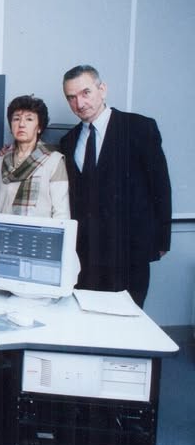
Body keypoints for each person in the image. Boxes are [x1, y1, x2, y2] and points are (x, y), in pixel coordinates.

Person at [59, 65, 171, 308]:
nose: (79, 103)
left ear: (102, 89)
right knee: (86, 321)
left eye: (85, 92)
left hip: (128, 252)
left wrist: (162, 240)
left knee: (127, 323)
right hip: (86, 254)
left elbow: (160, 186)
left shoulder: (139, 127)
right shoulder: (67, 141)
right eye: (71, 97)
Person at [0, 95, 70, 218]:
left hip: (39, 235)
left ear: (39, 127)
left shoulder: (54, 161)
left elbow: (62, 212)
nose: (21, 124)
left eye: (29, 119)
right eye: (16, 119)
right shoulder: (0, 160)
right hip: (3, 233)